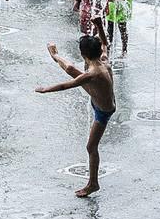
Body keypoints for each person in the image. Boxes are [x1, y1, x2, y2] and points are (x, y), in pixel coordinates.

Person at [36, 18, 115, 197]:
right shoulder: (102, 59)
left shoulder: (93, 73)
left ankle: (93, 183)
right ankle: (55, 55)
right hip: (100, 99)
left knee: (91, 146)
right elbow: (104, 43)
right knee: (71, 69)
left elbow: (66, 85)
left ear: (83, 55)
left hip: (103, 111)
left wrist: (45, 89)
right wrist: (100, 26)